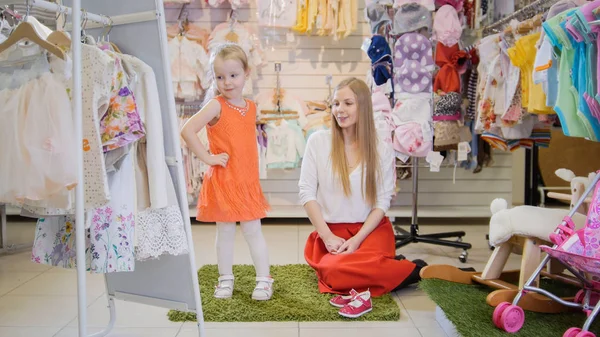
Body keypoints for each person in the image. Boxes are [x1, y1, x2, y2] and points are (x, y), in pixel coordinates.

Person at [299, 77, 427, 316]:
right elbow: (306, 193)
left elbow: (382, 201)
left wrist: (357, 240)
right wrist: (326, 237)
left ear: (363, 107)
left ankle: (397, 267)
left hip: (370, 231)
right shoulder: (317, 142)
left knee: (340, 273)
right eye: (336, 103)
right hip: (332, 234)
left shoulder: (380, 146)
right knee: (332, 269)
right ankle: (406, 270)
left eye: (348, 103)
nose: (340, 110)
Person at [180, 43, 273, 301]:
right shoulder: (215, 105)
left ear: (246, 73)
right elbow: (187, 130)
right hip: (223, 181)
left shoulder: (251, 107)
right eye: (220, 77)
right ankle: (225, 279)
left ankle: (264, 280)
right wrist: (207, 157)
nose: (227, 82)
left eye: (233, 75)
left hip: (246, 182)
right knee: (226, 232)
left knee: (253, 230)